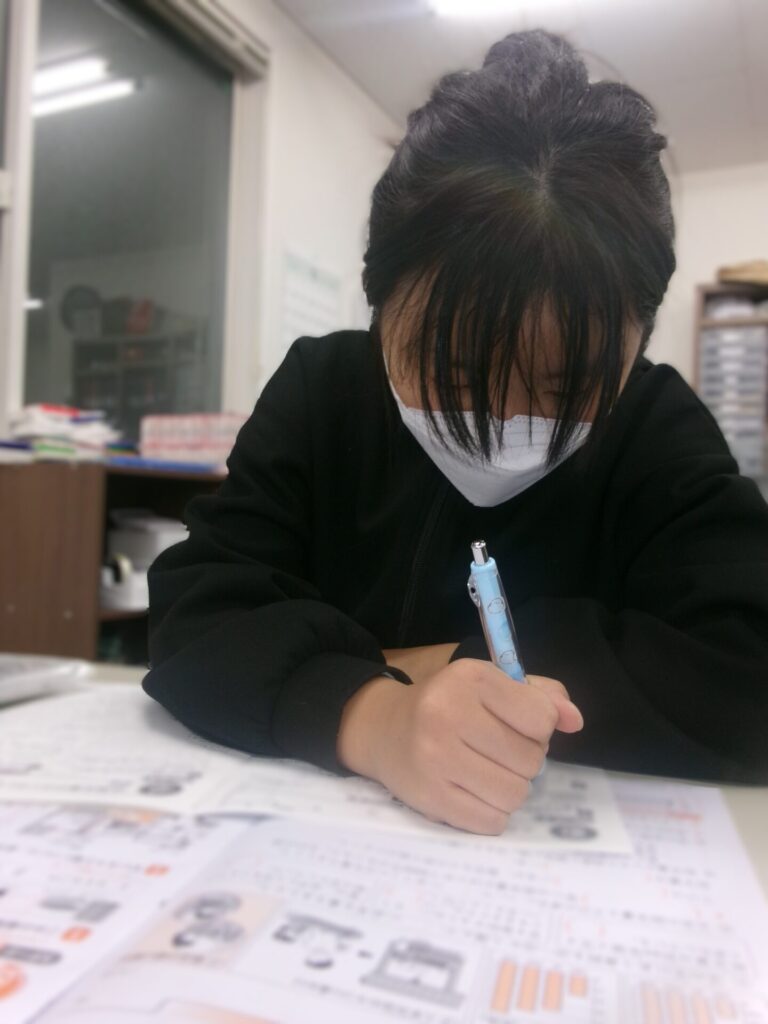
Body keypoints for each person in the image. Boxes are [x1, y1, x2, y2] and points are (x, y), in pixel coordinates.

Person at [144, 30, 768, 835]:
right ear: (379, 300)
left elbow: (746, 669)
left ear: (636, 342)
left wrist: (444, 666)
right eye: (457, 374)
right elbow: (195, 614)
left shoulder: (654, 424)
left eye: (565, 387)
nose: (497, 423)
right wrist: (371, 715)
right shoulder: (324, 390)